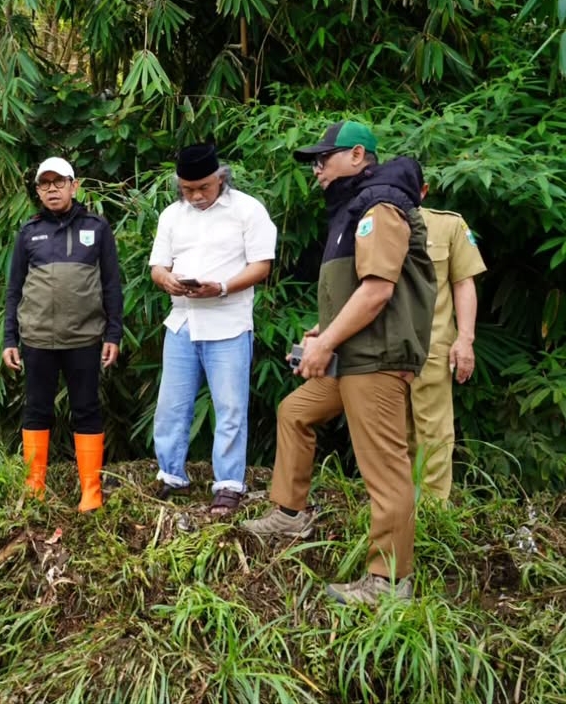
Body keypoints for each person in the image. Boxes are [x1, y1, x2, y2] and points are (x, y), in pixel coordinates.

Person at [241, 121, 436, 605]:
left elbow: (377, 292)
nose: (316, 169)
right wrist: (321, 331)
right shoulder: (352, 210)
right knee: (295, 411)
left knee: (384, 470)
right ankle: (290, 514)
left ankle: (389, 583)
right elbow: (353, 291)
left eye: (323, 159)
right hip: (351, 356)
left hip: (375, 359)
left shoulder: (381, 206)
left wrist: (326, 342)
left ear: (356, 155)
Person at [148, 144, 278, 515]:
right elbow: (158, 265)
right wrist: (167, 280)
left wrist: (220, 287)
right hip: (183, 320)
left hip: (228, 321)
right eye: (187, 189)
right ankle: (171, 473)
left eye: (203, 187)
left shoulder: (247, 210)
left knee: (230, 406)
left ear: (221, 177)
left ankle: (228, 483)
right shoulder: (173, 215)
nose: (196, 196)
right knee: (171, 406)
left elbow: (261, 265)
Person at [2, 156, 123, 512]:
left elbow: (112, 285)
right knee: (37, 410)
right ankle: (35, 486)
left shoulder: (97, 228)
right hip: (37, 339)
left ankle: (91, 491)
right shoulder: (29, 231)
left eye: (59, 182)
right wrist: (10, 339)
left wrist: (113, 334)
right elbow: (14, 289)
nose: (52, 190)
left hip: (85, 339)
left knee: (86, 410)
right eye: (44, 184)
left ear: (74, 185)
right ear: (38, 190)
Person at [410, 187, 486, 501]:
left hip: (433, 344)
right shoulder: (374, 221)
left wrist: (465, 339)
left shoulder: (448, 226)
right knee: (391, 435)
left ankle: (431, 512)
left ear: (423, 190)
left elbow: (463, 282)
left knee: (434, 433)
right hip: (383, 349)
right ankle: (396, 514)